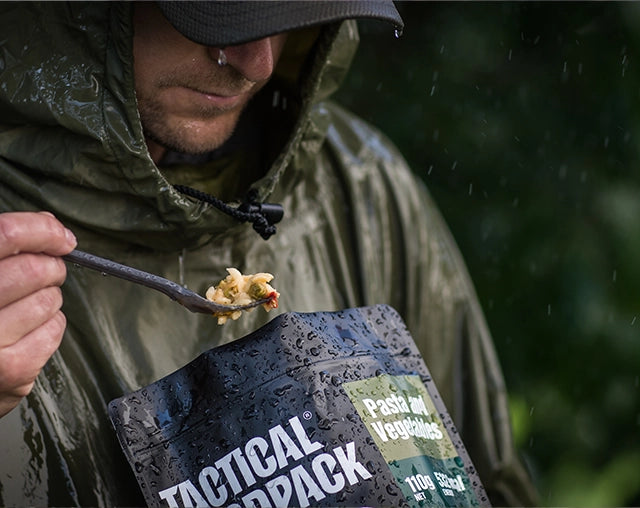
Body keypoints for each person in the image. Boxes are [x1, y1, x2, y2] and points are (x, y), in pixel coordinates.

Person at [0, 2, 537, 506]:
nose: (257, 64)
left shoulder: (354, 183)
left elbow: (480, 478)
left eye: (284, 13)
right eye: (221, 14)